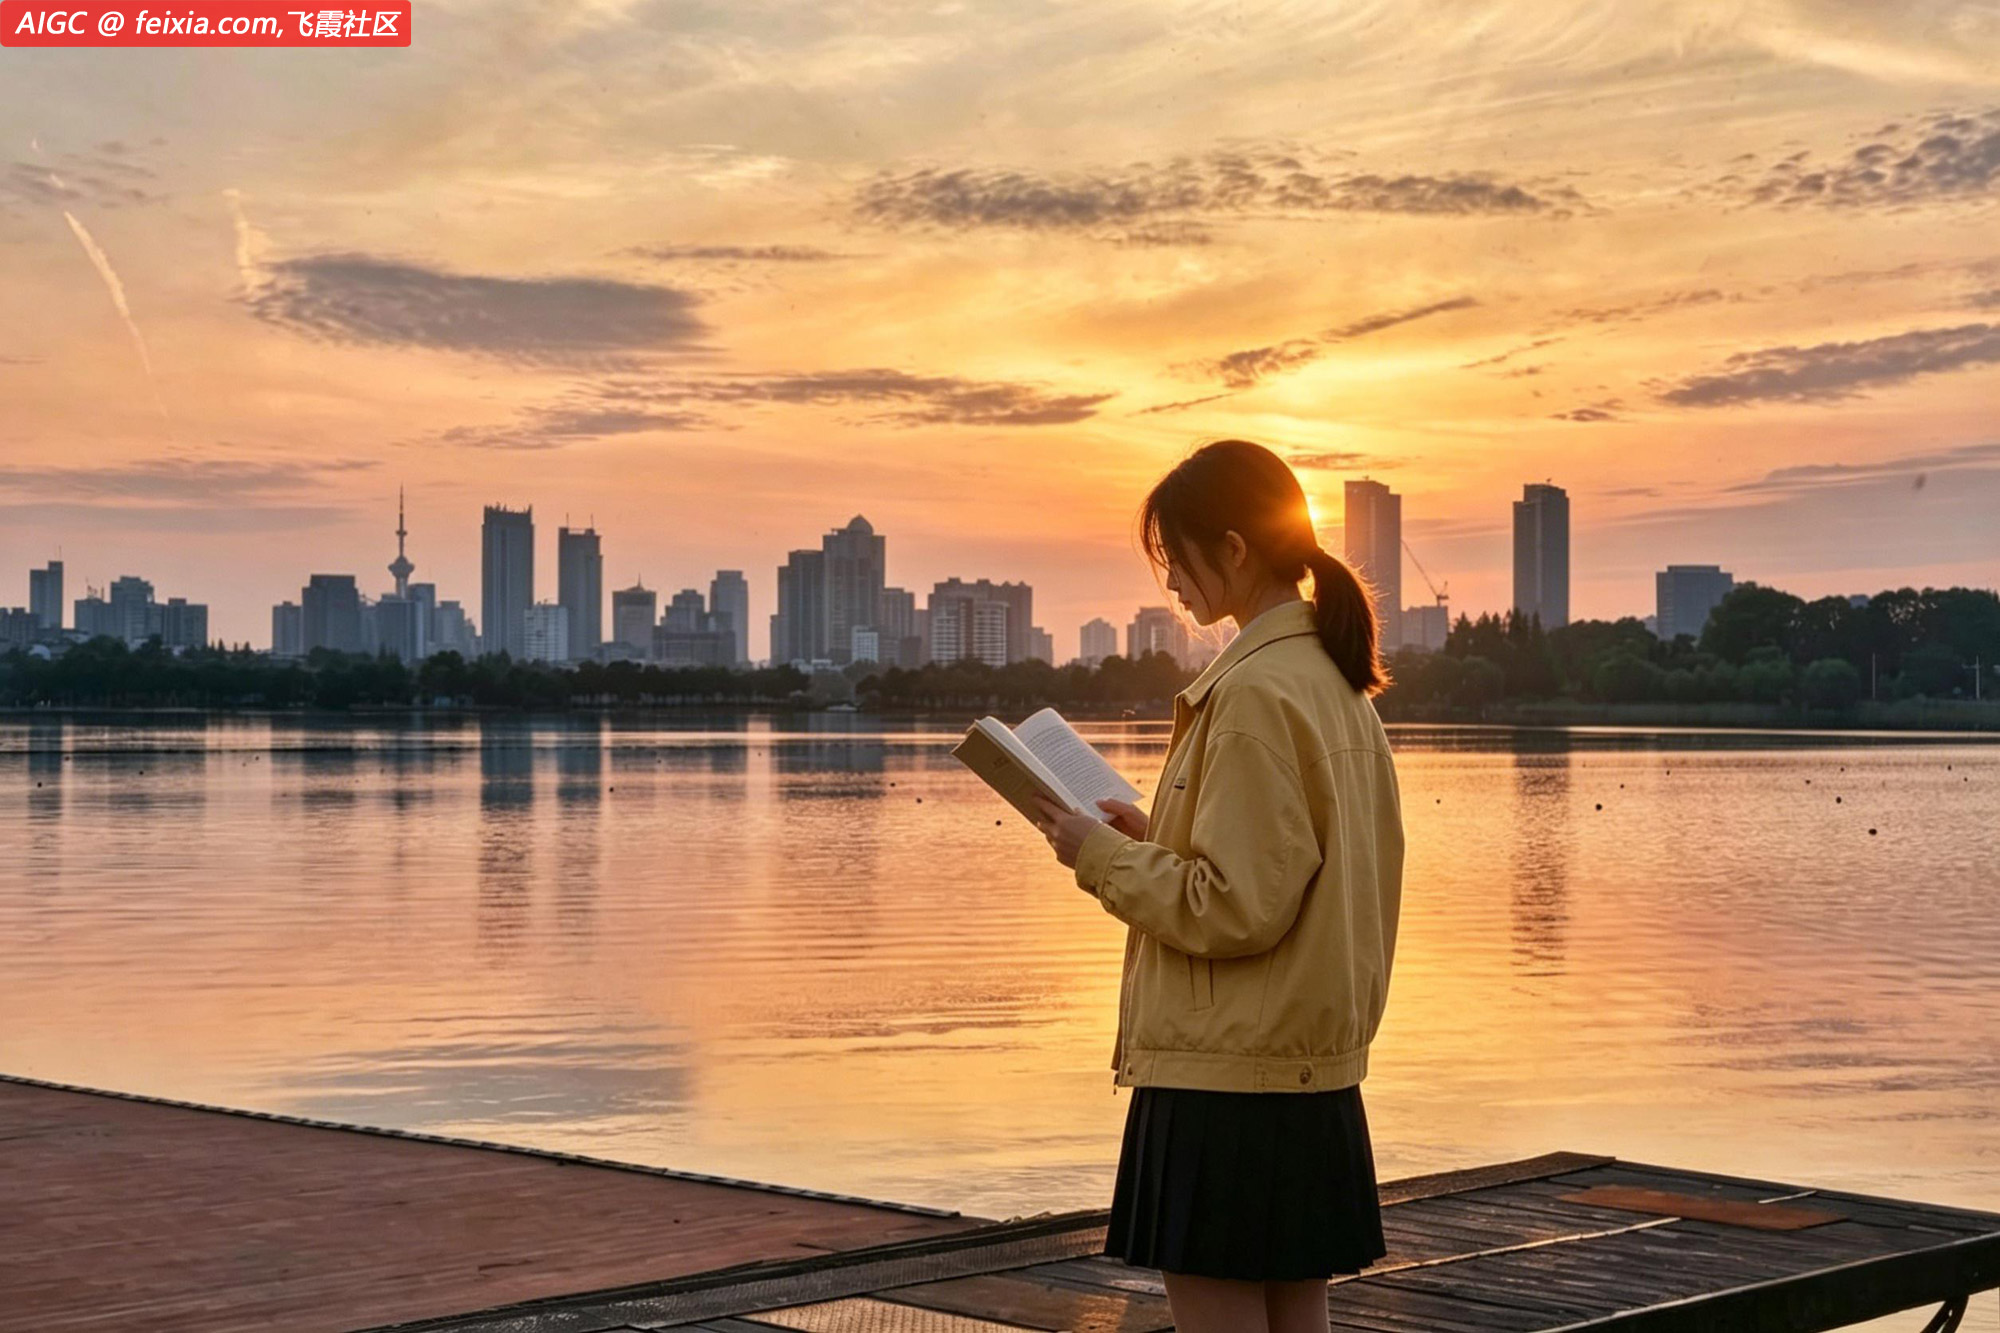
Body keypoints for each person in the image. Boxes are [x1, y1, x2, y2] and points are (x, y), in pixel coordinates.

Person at [1035, 438, 1405, 1333]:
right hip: (1305, 1080)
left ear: (1234, 548)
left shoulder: (1252, 694)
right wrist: (1157, 838)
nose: (1171, 582)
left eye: (1177, 557)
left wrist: (1099, 856)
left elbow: (1234, 906)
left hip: (1226, 1083)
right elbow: (1285, 870)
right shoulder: (1332, 682)